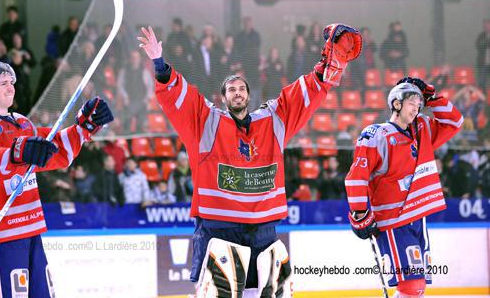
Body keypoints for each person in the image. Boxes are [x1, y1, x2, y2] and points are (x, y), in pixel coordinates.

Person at [138, 24, 361, 297]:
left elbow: (299, 98)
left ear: (249, 94)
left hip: (263, 231)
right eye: (231, 89)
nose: (237, 92)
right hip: (219, 229)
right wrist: (160, 64)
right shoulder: (207, 123)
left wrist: (325, 71)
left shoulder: (272, 122)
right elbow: (179, 98)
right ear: (223, 98)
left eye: (241, 88)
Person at [0, 59, 114, 297]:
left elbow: (55, 148)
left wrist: (84, 127)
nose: (11, 87)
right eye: (3, 83)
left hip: (30, 228)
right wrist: (19, 152)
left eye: (11, 82)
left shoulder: (23, 123)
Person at [344, 77, 463, 297]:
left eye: (419, 103)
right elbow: (356, 176)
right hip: (393, 220)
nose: (417, 107)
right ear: (396, 104)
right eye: (412, 102)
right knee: (411, 285)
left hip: (419, 218)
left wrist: (432, 97)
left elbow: (455, 122)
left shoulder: (423, 129)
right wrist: (360, 211)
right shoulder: (376, 134)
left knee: (417, 288)